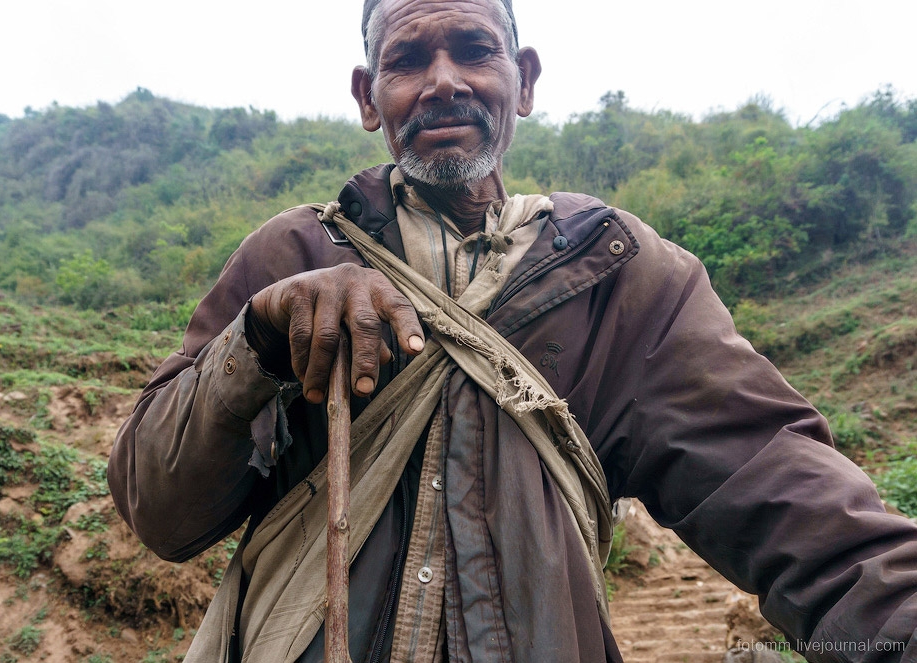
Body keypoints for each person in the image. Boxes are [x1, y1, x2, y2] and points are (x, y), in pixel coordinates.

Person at [107, 0, 917, 661]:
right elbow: (159, 509)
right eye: (408, 60)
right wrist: (255, 340)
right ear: (367, 96)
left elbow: (784, 491)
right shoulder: (290, 257)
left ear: (523, 82)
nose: (443, 82)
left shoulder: (625, 281)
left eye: (474, 50)